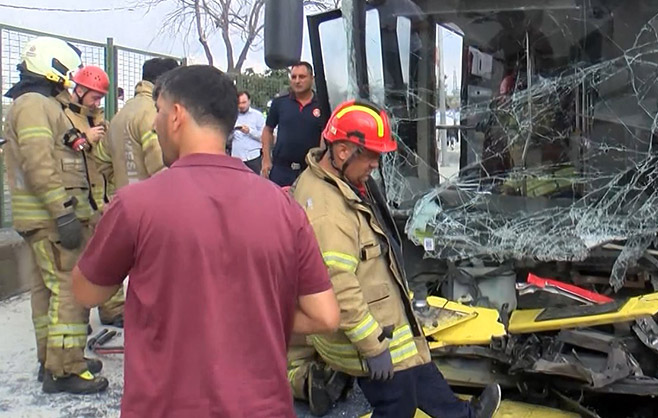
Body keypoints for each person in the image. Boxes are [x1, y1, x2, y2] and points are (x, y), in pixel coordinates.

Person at [72, 64, 340, 417]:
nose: (154, 124)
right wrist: (252, 314)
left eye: (159, 112)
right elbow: (325, 316)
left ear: (176, 115)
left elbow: (86, 293)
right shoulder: (284, 208)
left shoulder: (136, 205)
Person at [289, 99, 501, 418]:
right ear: (344, 151)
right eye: (372, 155)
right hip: (368, 335)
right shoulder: (328, 214)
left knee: (418, 366)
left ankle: (462, 416)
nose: (376, 163)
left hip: (386, 319)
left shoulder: (339, 180)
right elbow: (341, 291)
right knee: (397, 403)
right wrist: (374, 348)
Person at [2, 37, 108, 394]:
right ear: (54, 66)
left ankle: (51, 361)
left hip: (42, 219)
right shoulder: (33, 105)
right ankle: (66, 370)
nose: (69, 78)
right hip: (52, 219)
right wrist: (62, 213)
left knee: (45, 292)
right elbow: (39, 161)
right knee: (67, 289)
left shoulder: (37, 103)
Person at [62, 66, 126, 329]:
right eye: (94, 97)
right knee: (78, 262)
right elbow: (60, 155)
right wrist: (85, 139)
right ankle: (79, 317)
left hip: (101, 200)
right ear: (78, 90)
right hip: (76, 200)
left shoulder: (101, 121)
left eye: (100, 98)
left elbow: (107, 160)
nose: (97, 102)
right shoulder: (64, 117)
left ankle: (113, 309)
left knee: (107, 257)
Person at [106, 57, 180, 195]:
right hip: (151, 204)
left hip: (123, 200)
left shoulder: (120, 114)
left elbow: (102, 161)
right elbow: (161, 168)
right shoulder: (155, 112)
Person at [262, 62, 327, 187]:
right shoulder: (280, 103)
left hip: (309, 170)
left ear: (311, 78)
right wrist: (266, 160)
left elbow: (325, 135)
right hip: (281, 171)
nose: (297, 81)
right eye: (293, 77)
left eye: (302, 77)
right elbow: (267, 130)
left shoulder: (322, 105)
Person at [230, 90, 266, 173]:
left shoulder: (257, 116)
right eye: (239, 103)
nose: (242, 106)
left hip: (253, 157)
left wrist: (250, 131)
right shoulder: (233, 116)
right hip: (237, 157)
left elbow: (264, 137)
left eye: (244, 102)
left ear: (249, 101)